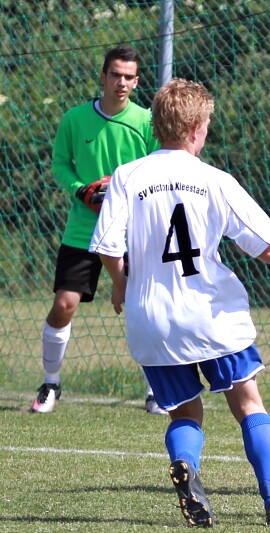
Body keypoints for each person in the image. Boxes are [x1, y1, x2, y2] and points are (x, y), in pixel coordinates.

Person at [90, 78, 270, 527]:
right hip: (211, 315)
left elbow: (107, 247)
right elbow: (262, 242)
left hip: (152, 318)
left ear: (157, 126)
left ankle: (186, 465)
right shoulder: (215, 180)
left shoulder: (127, 176)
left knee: (184, 411)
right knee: (248, 404)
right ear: (196, 128)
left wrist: (120, 285)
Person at [34, 45, 166, 415]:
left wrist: (128, 194)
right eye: (115, 75)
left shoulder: (146, 121)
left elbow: (157, 168)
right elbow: (61, 165)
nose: (121, 82)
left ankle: (156, 391)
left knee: (148, 308)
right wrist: (82, 190)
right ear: (103, 77)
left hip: (134, 230)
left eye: (129, 77)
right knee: (64, 304)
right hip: (83, 229)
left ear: (136, 82)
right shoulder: (75, 118)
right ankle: (51, 383)